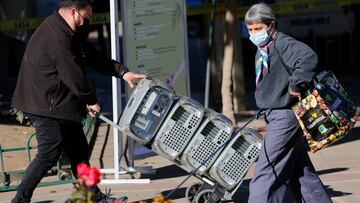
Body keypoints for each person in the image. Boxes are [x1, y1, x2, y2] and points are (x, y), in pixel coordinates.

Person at [11, 0, 146, 202]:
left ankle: (95, 197)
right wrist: (90, 100)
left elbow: (91, 56)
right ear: (74, 12)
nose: (86, 24)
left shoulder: (65, 30)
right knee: (50, 152)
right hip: (44, 103)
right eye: (85, 18)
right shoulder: (58, 35)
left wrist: (122, 72)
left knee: (78, 151)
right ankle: (20, 200)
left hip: (58, 102)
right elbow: (72, 74)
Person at [244, 3, 332, 203]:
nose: (254, 33)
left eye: (258, 28)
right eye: (250, 30)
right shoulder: (263, 48)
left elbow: (308, 58)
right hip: (274, 114)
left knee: (265, 172)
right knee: (300, 172)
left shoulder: (283, 43)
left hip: (285, 115)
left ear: (272, 25)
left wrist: (296, 85)